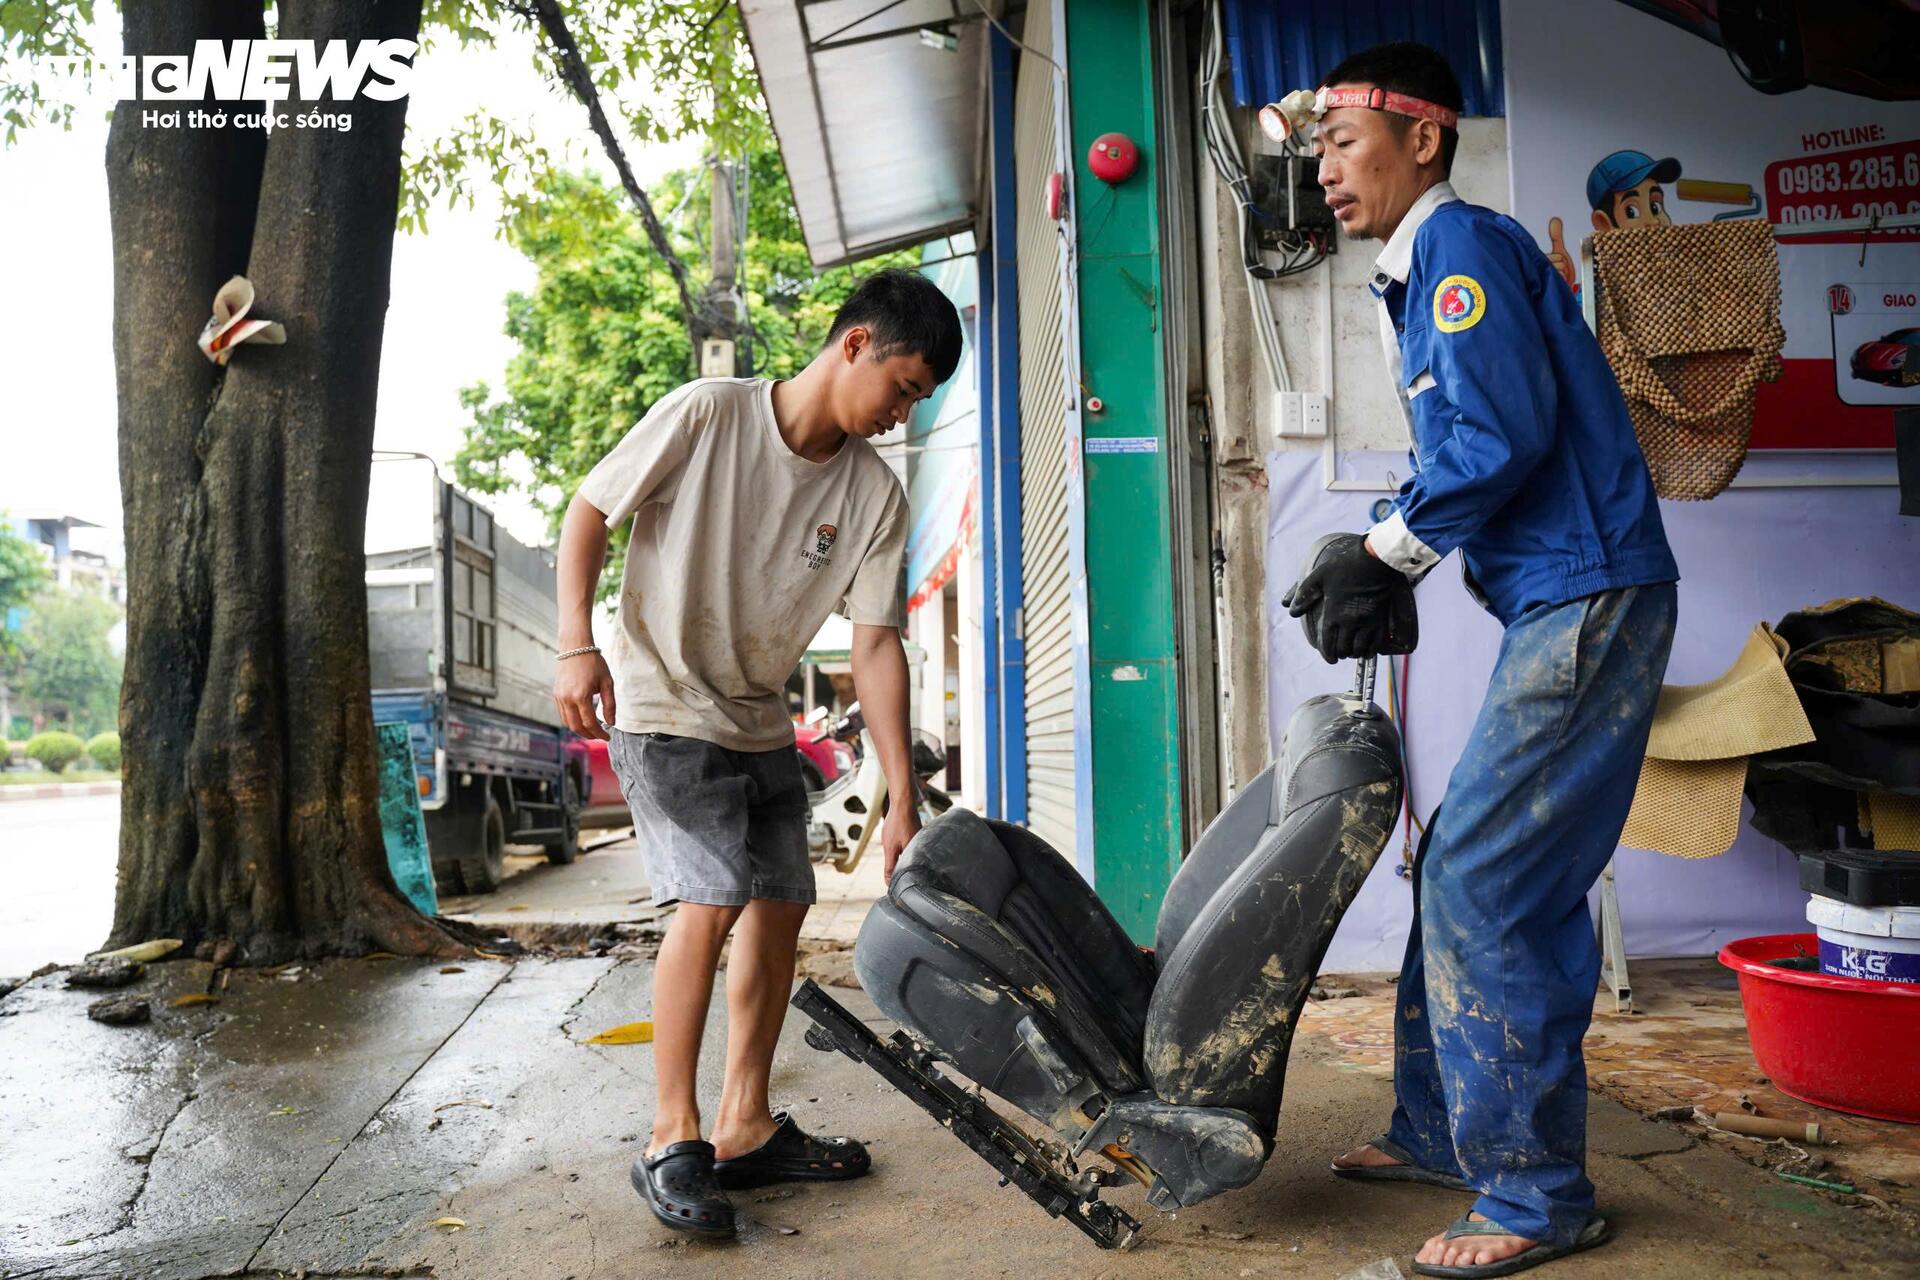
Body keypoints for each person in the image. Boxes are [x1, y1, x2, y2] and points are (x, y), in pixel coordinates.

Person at [1286, 42, 1680, 1279]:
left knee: (1485, 881)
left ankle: (1533, 1194)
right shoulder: (1427, 272)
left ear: (1424, 139)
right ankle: (1442, 1128)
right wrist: (1378, 546)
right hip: (1564, 596)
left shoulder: (1459, 251)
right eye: (1316, 152)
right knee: (1462, 860)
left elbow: (1501, 435)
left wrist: (1386, 552)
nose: (1325, 173)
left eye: (1344, 144)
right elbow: (1474, 440)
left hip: (1588, 594)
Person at [550, 269, 963, 1239]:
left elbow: (874, 646)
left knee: (783, 901)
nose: (903, 416)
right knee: (714, 890)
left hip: (758, 717)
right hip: (660, 699)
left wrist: (902, 795)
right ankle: (671, 1132)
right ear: (854, 343)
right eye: (902, 387)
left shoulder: (873, 495)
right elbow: (590, 511)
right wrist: (578, 640)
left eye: (919, 402)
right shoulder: (710, 414)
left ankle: (742, 1119)